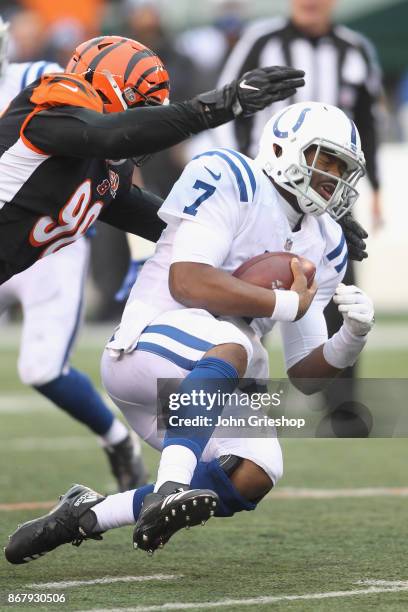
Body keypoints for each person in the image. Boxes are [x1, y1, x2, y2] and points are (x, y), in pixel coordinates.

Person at [5, 101, 375, 564]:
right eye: (328, 160)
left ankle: (88, 515)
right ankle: (170, 487)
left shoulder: (325, 240)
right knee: (235, 343)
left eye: (344, 168)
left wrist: (351, 339)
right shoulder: (233, 177)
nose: (335, 177)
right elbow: (188, 281)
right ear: (284, 149)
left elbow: (305, 376)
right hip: (146, 348)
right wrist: (284, 302)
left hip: (207, 385)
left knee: (257, 471)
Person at [0, 34, 305, 284]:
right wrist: (220, 106)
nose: (148, 122)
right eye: (144, 108)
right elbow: (109, 134)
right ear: (108, 89)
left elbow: (171, 225)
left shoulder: (106, 173)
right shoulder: (46, 111)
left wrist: (292, 238)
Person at [209, 0, 382, 418]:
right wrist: (242, 178)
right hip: (266, 188)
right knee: (253, 286)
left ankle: (340, 402)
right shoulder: (261, 41)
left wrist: (377, 186)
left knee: (336, 288)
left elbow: (368, 121)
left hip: (329, 193)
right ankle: (242, 394)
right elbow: (228, 105)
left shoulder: (354, 48)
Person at [0, 17, 147, 492]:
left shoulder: (40, 79)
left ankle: (117, 439)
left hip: (50, 247)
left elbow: (105, 151)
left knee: (42, 369)